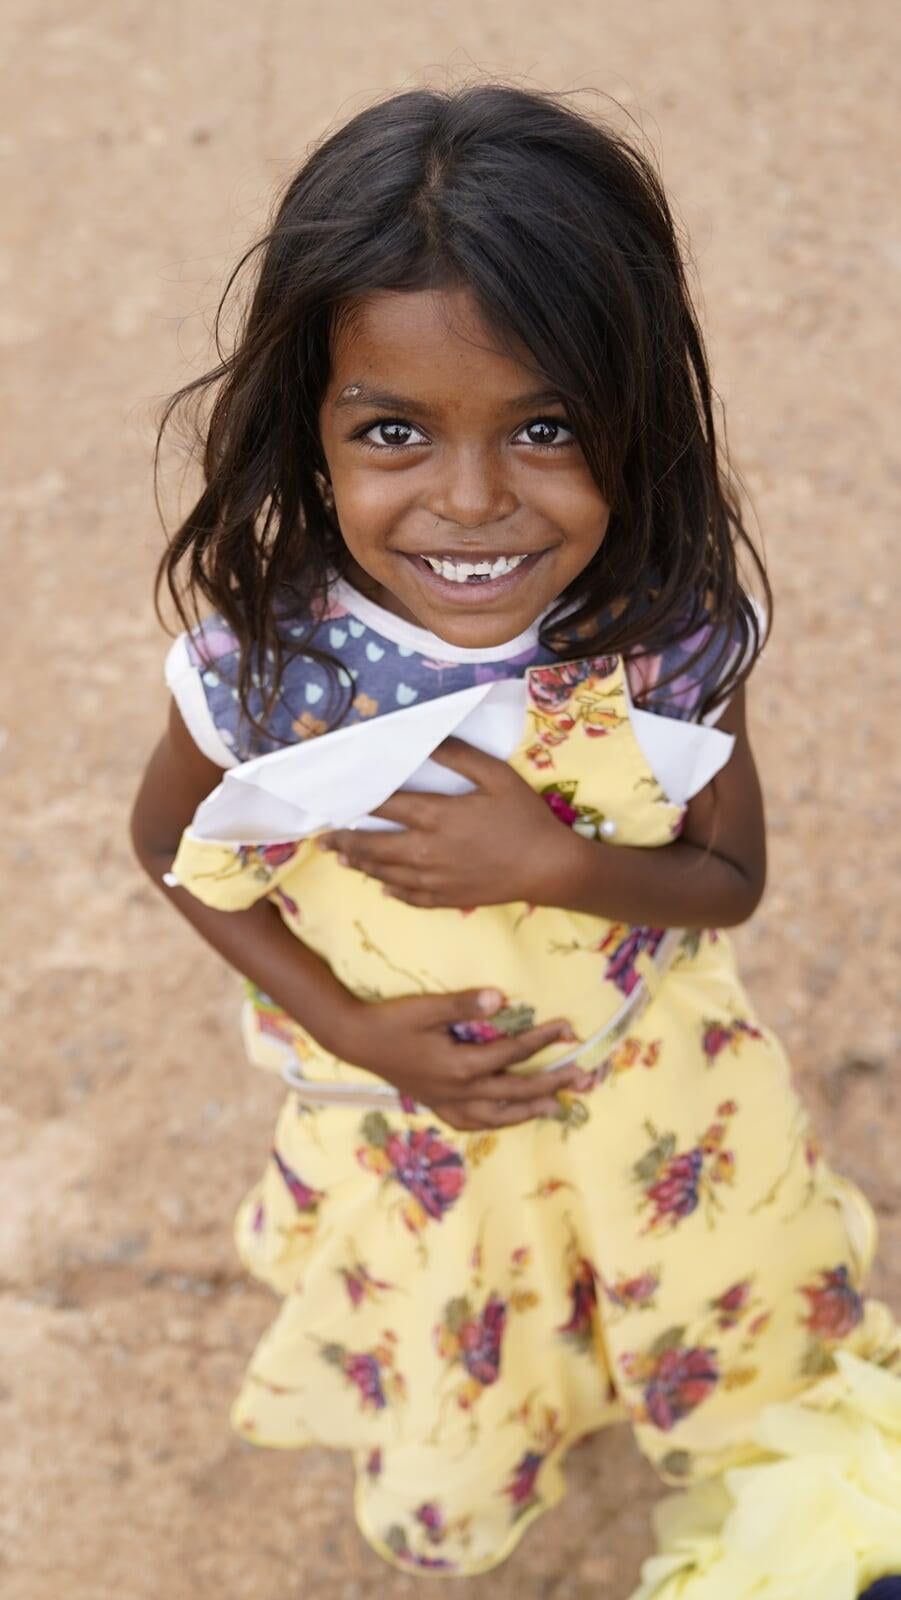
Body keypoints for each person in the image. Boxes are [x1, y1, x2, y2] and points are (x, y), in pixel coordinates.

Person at [130, 83, 901, 1598]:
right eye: (394, 431)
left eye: (545, 425)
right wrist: (360, 1031)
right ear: (314, 426)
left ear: (634, 416)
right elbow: (171, 851)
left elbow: (730, 882)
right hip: (422, 1132)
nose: (470, 500)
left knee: (714, 1322)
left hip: (653, 1089)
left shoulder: (668, 637)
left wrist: (552, 864)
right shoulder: (270, 675)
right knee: (474, 1364)